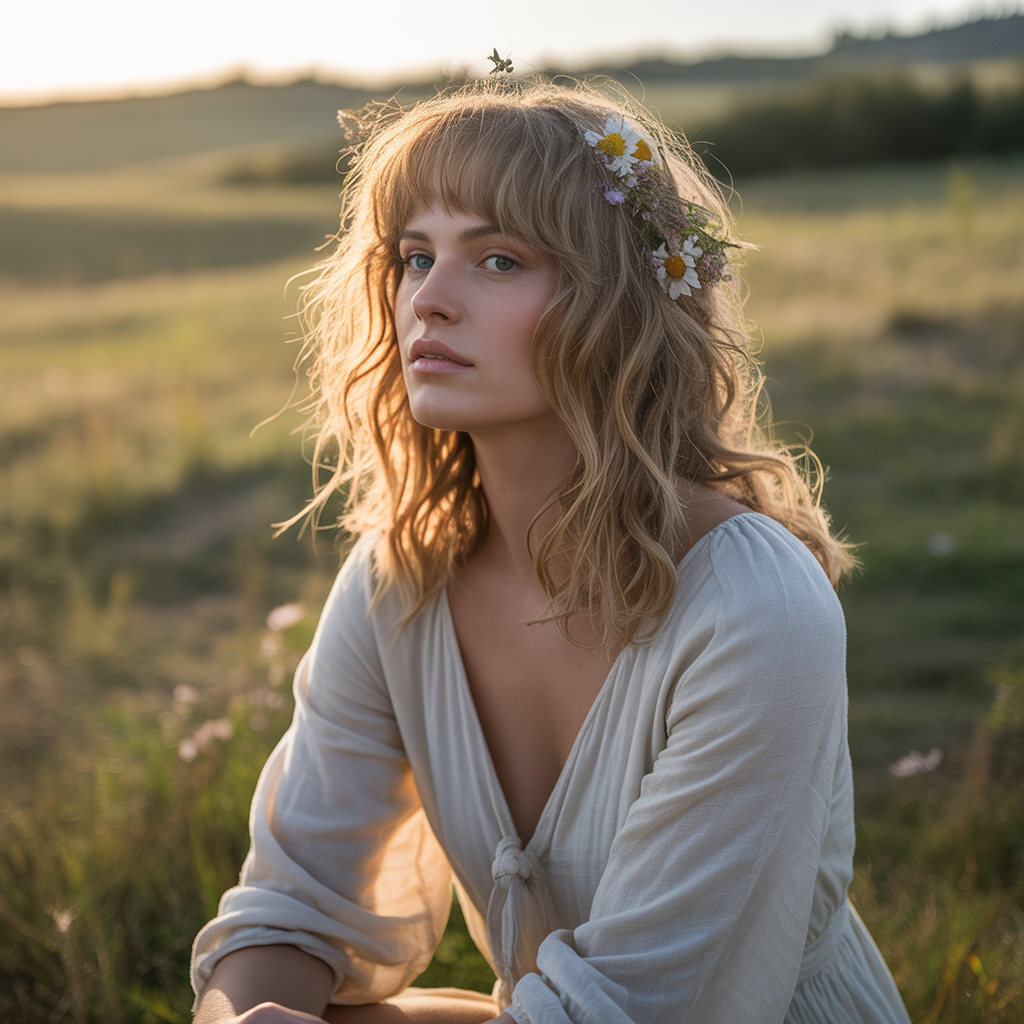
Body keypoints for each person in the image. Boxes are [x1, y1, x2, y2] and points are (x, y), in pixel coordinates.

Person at [190, 79, 912, 1024]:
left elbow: (639, 1008)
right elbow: (289, 906)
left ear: (619, 306)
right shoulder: (396, 583)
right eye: (415, 256)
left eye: (496, 259)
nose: (430, 302)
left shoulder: (753, 609)